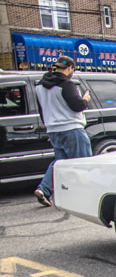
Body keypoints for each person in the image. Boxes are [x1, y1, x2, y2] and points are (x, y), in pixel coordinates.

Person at [34, 55, 92, 207]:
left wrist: (49, 128)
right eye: (73, 69)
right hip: (72, 128)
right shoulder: (67, 85)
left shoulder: (40, 86)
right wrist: (85, 99)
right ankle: (87, 196)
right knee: (83, 164)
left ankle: (44, 189)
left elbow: (42, 110)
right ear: (69, 68)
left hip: (53, 129)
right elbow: (77, 106)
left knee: (60, 164)